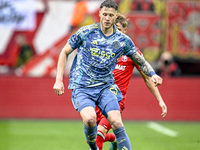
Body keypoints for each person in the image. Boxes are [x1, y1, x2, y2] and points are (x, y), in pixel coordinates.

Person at [53, 0, 163, 150]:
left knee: (117, 122)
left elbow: (141, 61)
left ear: (115, 16)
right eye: (104, 14)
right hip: (83, 87)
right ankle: (93, 147)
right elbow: (64, 51)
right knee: (90, 120)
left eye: (110, 15)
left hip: (106, 88)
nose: (107, 18)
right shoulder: (86, 32)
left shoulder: (123, 41)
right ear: (99, 14)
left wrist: (153, 73)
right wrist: (59, 80)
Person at [95, 14, 167, 150]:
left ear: (124, 31)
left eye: (119, 29)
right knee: (92, 138)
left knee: (99, 134)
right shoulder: (102, 50)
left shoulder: (131, 53)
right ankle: (115, 139)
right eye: (113, 29)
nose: (116, 33)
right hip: (98, 98)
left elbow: (146, 77)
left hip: (115, 100)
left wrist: (160, 100)